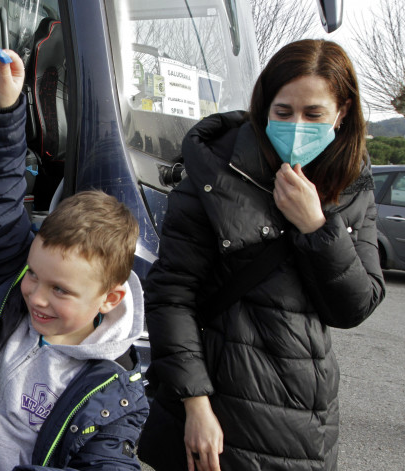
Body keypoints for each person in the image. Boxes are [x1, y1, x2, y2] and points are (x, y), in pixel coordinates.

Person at [139, 39, 386, 471]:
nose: (296, 126)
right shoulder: (216, 171)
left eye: (314, 115)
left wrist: (317, 226)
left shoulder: (351, 183)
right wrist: (195, 405)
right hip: (219, 406)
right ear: (263, 105)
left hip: (306, 413)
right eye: (283, 111)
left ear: (342, 112)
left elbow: (354, 306)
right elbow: (171, 294)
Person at [0, 49, 149, 471]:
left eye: (59, 289)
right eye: (34, 276)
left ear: (110, 299)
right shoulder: (13, 299)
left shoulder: (114, 396)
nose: (35, 297)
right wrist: (0, 110)